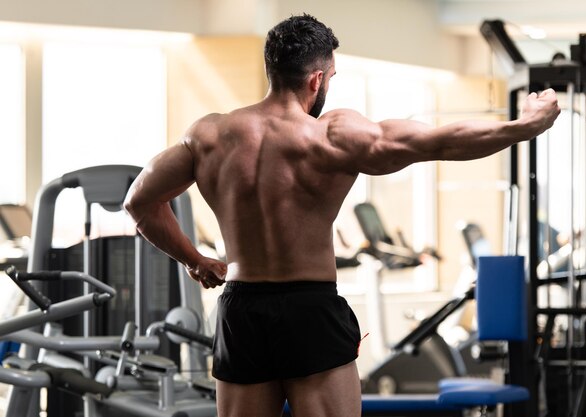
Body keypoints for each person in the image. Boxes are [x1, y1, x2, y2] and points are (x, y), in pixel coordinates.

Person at [123, 13, 560, 417]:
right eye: (330, 76)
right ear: (316, 78)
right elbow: (438, 142)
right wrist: (522, 127)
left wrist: (195, 260)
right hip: (310, 307)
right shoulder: (331, 136)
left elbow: (139, 203)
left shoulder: (209, 135)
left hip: (241, 310)